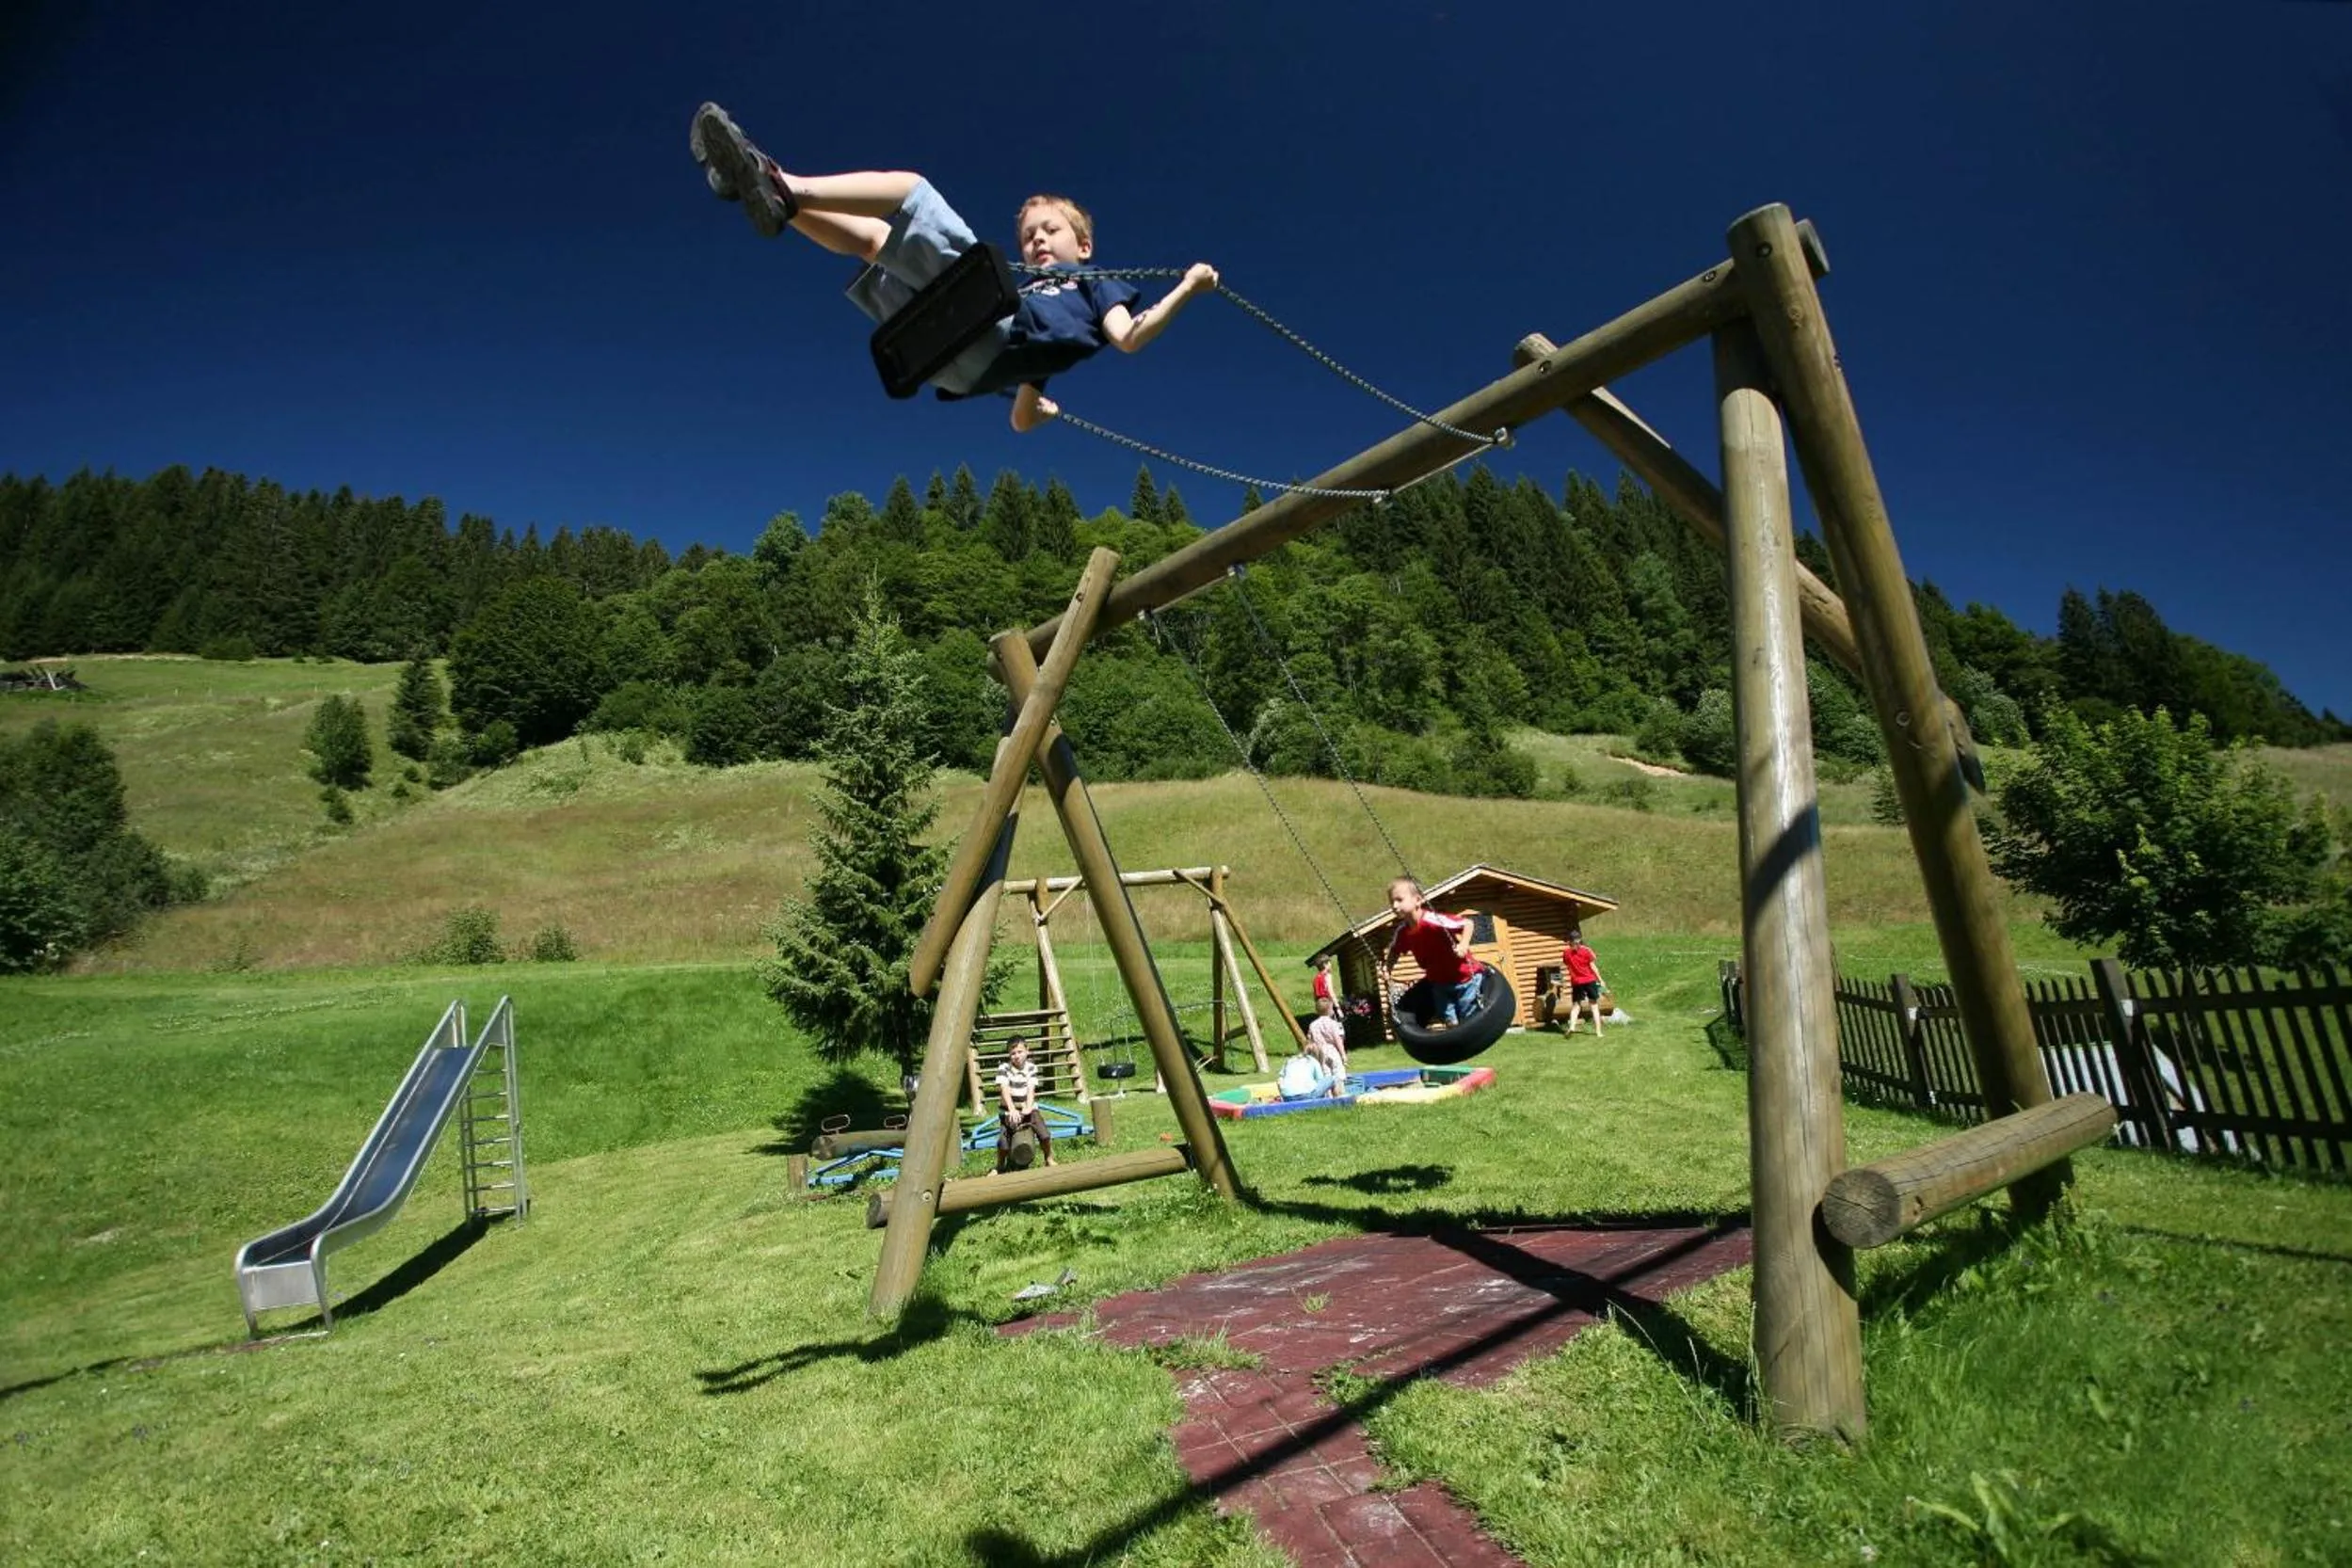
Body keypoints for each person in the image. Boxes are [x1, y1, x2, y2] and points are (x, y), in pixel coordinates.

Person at [690, 104, 1220, 428]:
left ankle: (783, 182)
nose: (1036, 240)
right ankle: (779, 199)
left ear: (1083, 246)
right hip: (961, 358)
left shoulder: (1093, 286)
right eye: (1029, 234)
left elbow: (1128, 338)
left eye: (1050, 231)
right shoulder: (1038, 326)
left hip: (985, 331)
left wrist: (1187, 289)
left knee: (913, 191)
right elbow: (1019, 422)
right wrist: (1038, 410)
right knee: (877, 240)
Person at [1380, 877, 1481, 1029]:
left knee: (1468, 1015)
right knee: (1449, 1019)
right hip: (1439, 982)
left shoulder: (1433, 920)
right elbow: (1394, 951)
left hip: (1464, 977)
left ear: (1418, 900)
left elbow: (1468, 923)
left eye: (1399, 900)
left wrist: (1463, 944)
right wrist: (1388, 968)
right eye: (1391, 902)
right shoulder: (1403, 932)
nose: (1394, 906)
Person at [993, 1036, 1054, 1173]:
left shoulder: (1031, 1067)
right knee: (1003, 1142)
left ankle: (1048, 1158)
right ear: (1009, 1055)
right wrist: (1012, 1109)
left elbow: (1031, 1089)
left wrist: (1028, 1107)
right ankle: (1000, 1165)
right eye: (1013, 1053)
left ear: (1027, 1051)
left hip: (1028, 1108)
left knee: (1044, 1135)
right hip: (1008, 1110)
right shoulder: (1004, 1068)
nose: (1016, 1056)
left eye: (1020, 1052)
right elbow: (1004, 1089)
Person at [1560, 928, 1607, 1037]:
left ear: (1569, 941)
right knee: (1594, 1005)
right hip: (1589, 980)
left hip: (1576, 982)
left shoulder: (1566, 953)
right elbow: (1593, 964)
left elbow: (1567, 963)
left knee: (1576, 1005)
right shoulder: (1585, 951)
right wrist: (1600, 980)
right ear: (1579, 940)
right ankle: (1598, 1032)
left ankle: (1572, 1027)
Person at [1305, 995, 1350, 1094]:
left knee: (1326, 1076)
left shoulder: (1313, 1025)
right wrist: (1343, 1054)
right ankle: (1340, 1095)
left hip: (1320, 1052)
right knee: (1338, 1074)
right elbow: (1337, 1040)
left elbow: (1310, 1039)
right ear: (1330, 1010)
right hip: (1332, 1050)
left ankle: (1328, 1097)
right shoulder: (1332, 1023)